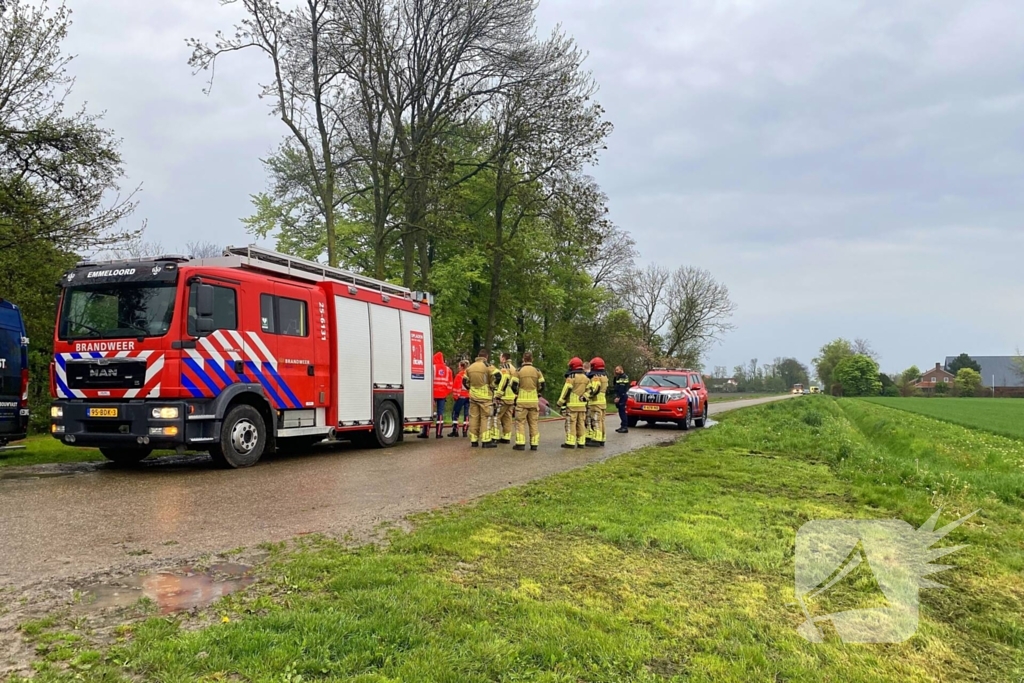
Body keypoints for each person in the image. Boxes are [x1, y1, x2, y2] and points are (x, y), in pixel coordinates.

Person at [464, 350, 501, 448]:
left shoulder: (470, 367)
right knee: (486, 418)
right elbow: (498, 376)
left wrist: (470, 388)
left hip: (473, 396)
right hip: (485, 397)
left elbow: (464, 381)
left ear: (478, 356)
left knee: (474, 417)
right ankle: (486, 440)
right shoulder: (488, 366)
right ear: (486, 357)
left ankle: (474, 440)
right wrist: (493, 386)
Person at [510, 351, 545, 451]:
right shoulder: (537, 371)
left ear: (523, 359)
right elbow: (543, 385)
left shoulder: (518, 371)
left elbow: (513, 385)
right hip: (534, 401)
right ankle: (534, 444)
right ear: (532, 359)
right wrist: (537, 392)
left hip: (521, 401)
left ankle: (520, 444)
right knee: (533, 423)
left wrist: (517, 393)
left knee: (520, 422)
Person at [557, 357, 590, 448]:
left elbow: (566, 391)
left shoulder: (571, 377)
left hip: (572, 406)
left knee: (570, 423)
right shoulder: (586, 378)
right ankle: (581, 442)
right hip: (582, 406)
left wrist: (560, 402)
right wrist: (585, 397)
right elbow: (591, 390)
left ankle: (570, 442)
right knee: (581, 424)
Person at [423, 351, 453, 438]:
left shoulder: (432, 368)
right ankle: (439, 433)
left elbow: (428, 381)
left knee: (429, 413)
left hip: (432, 394)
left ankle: (426, 433)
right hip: (443, 395)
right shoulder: (448, 370)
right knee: (440, 413)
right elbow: (450, 384)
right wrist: (446, 393)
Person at [493, 352, 517, 444]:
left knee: (496, 416)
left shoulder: (505, 367)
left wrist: (498, 394)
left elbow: (504, 380)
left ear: (503, 358)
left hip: (504, 397)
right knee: (507, 417)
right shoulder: (513, 368)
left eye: (500, 357)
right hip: (511, 397)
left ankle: (495, 436)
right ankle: (506, 437)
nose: (499, 358)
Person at [586, 357, 609, 447]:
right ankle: (602, 438)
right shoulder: (604, 376)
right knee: (601, 421)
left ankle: (596, 439)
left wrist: (585, 396)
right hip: (602, 401)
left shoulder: (596, 377)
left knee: (595, 420)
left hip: (595, 402)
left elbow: (594, 389)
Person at [450, 360, 470, 437]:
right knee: (466, 414)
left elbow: (456, 387)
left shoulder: (459, 375)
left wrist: (455, 396)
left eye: (459, 366)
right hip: (468, 396)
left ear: (462, 366)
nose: (458, 367)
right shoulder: (469, 375)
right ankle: (465, 431)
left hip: (461, 396)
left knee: (455, 413)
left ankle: (455, 430)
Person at [613, 365, 630, 433]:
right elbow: (615, 384)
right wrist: (614, 377)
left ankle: (625, 427)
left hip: (622, 396)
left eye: (617, 370)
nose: (616, 371)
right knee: (620, 411)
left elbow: (622, 388)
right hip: (620, 395)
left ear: (621, 369)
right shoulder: (619, 377)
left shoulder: (623, 377)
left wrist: (618, 397)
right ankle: (622, 425)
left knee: (622, 412)